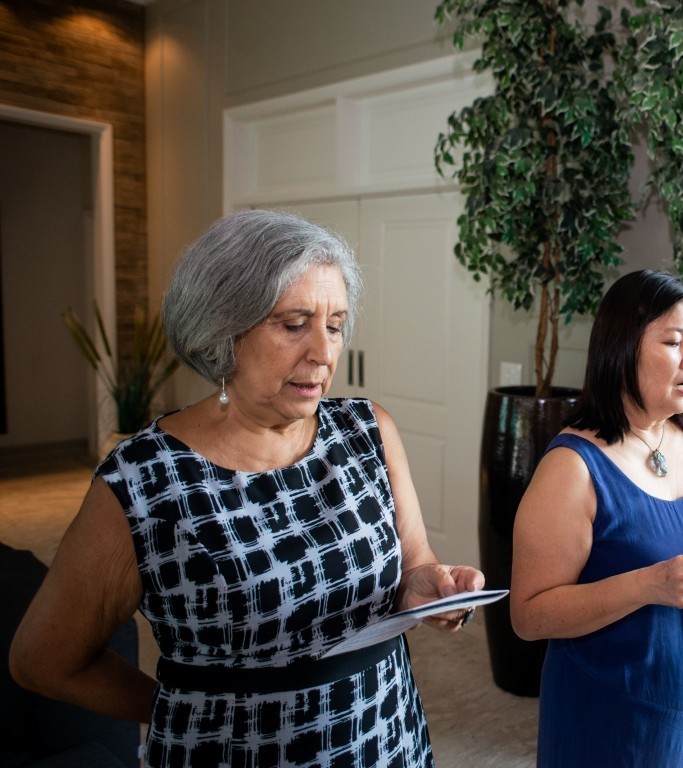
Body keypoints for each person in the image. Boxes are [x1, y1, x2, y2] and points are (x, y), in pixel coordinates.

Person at [10, 209, 484, 768]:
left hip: (385, 737)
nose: (324, 353)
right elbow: (45, 658)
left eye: (334, 325)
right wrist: (173, 709)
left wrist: (433, 586)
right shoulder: (145, 479)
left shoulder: (368, 431)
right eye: (293, 324)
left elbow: (414, 564)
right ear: (223, 330)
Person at [510, 269, 683, 768]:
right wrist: (647, 585)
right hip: (616, 720)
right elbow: (529, 616)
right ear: (621, 351)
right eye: (672, 342)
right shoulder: (572, 468)